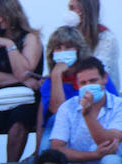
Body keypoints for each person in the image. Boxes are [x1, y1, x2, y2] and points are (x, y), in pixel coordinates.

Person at [49, 57, 122, 164]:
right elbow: (56, 149)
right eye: (83, 83)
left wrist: (87, 115)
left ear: (104, 78)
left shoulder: (121, 106)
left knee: (112, 162)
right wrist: (94, 155)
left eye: (93, 81)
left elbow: (108, 141)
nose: (88, 87)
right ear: (77, 85)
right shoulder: (67, 108)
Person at [0, 0, 43, 164]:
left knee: (19, 123)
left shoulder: (30, 39)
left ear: (9, 17)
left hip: (25, 99)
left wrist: (10, 46)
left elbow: (24, 70)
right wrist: (21, 80)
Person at [36, 26, 113, 155]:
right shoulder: (49, 82)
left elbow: (111, 104)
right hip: (60, 131)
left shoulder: (96, 76)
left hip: (94, 125)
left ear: (78, 50)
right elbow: (57, 112)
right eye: (58, 48)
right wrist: (56, 76)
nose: (63, 52)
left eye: (68, 47)